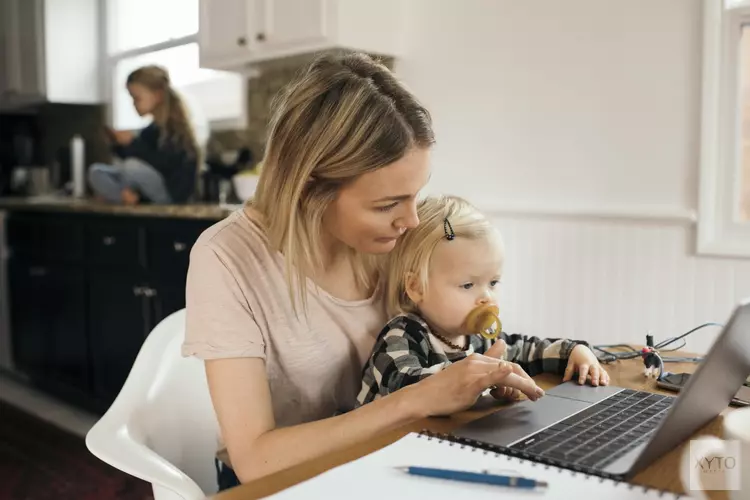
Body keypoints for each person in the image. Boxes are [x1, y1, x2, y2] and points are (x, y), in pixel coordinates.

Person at [182, 53, 546, 491]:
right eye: (388, 204)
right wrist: (415, 400)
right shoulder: (227, 258)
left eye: (415, 194)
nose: (411, 221)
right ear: (311, 188)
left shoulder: (394, 238)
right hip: (291, 484)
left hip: (396, 458)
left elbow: (447, 333)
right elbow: (255, 459)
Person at [356, 195, 609, 407]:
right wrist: (481, 378)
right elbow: (404, 389)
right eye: (468, 285)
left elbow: (525, 350)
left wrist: (573, 351)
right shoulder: (402, 335)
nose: (486, 297)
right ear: (416, 287)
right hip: (372, 447)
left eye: (493, 283)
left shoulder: (479, 338)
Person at [88, 65, 200, 205]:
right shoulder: (150, 130)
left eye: (137, 98)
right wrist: (117, 143)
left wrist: (132, 143)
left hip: (170, 195)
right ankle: (128, 197)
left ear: (157, 95)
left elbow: (162, 164)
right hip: (144, 185)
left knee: (132, 166)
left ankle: (122, 196)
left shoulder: (176, 131)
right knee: (97, 171)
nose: (133, 104)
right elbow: (135, 156)